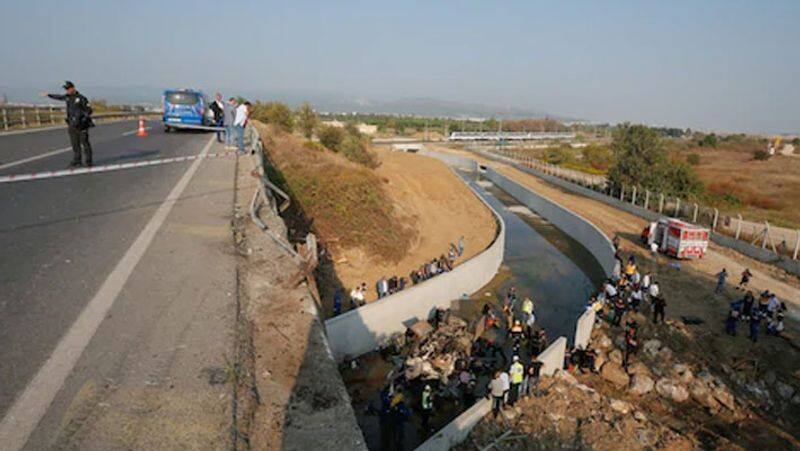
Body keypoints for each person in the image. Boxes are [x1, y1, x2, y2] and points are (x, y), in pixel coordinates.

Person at [41, 81, 94, 167]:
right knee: (75, 143)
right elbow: (59, 97)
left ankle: (88, 161)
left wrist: (83, 118)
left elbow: (89, 110)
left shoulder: (81, 98)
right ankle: (77, 160)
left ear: (73, 88)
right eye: (66, 89)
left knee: (85, 143)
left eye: (69, 89)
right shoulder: (68, 98)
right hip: (72, 124)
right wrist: (48, 95)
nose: (68, 90)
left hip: (81, 125)